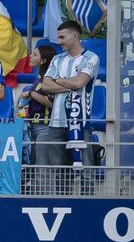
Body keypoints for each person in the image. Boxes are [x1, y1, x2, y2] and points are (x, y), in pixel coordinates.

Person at [33, 20, 98, 167]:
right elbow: (46, 86)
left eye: (62, 37)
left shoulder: (91, 58)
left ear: (75, 37)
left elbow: (79, 83)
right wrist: (72, 84)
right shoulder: (57, 59)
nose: (59, 41)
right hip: (56, 122)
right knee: (59, 170)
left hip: (81, 121)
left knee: (86, 169)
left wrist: (59, 80)